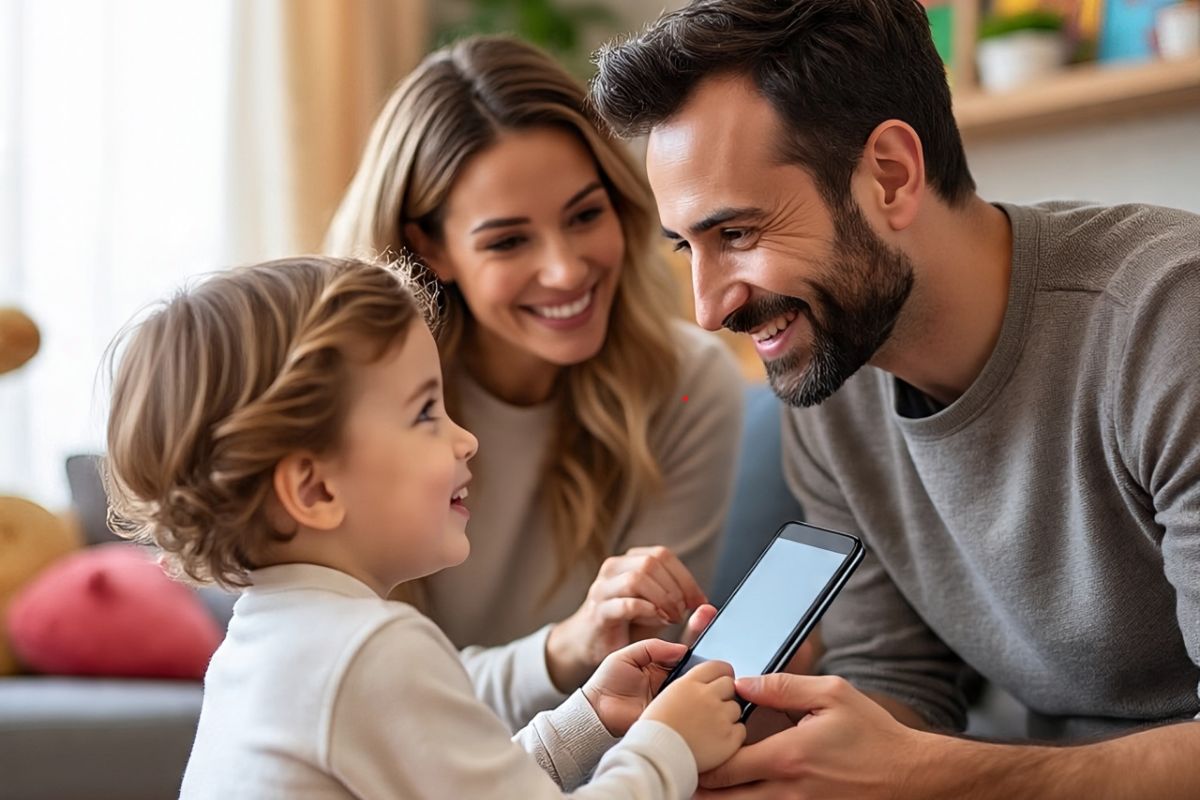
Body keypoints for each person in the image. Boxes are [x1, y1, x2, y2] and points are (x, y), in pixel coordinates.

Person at [589, 0, 1200, 797]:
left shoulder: (1167, 322)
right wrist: (737, 741)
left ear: (890, 176)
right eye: (687, 247)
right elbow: (898, 682)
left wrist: (940, 773)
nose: (708, 309)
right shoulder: (829, 375)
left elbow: (924, 763)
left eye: (736, 234)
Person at [102, 256, 747, 798]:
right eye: (425, 414)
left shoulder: (264, 643)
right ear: (316, 490)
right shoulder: (370, 650)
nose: (465, 439)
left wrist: (588, 720)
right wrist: (669, 744)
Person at [325, 36, 743, 730]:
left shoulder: (689, 386)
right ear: (430, 249)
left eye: (585, 215)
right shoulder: (354, 404)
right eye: (508, 241)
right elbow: (364, 699)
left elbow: (639, 681)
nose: (566, 270)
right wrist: (563, 650)